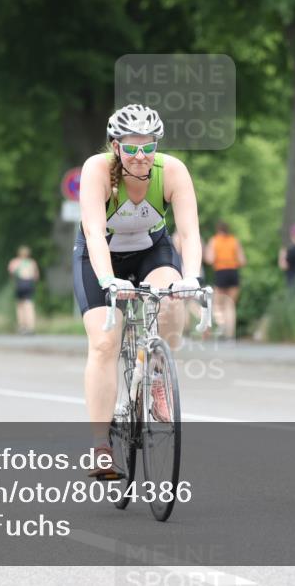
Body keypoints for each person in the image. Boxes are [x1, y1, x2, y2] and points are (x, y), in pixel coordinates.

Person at [74, 103, 203, 477]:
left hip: (152, 251)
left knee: (171, 303)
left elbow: (190, 232)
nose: (141, 156)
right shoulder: (96, 170)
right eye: (131, 148)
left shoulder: (172, 171)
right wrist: (107, 280)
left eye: (149, 146)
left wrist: (190, 277)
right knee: (103, 342)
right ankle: (101, 447)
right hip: (100, 257)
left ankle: (157, 374)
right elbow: (95, 234)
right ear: (116, 147)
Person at [204, 221, 246, 339]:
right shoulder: (234, 241)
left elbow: (209, 259)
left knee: (218, 304)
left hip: (221, 272)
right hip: (233, 272)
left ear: (218, 229)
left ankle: (221, 326)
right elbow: (242, 260)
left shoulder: (214, 240)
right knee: (230, 305)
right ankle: (230, 334)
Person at [8, 246, 39, 335]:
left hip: (20, 283)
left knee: (20, 305)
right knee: (29, 305)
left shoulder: (15, 261)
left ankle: (22, 326)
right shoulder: (32, 262)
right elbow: (36, 276)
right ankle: (31, 326)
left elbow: (11, 272)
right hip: (29, 283)